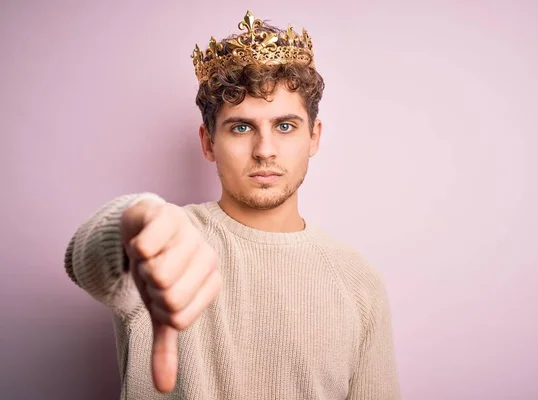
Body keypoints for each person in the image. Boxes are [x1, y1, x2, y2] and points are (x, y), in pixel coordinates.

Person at [64, 10, 400, 400]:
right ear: (208, 142)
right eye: (241, 127)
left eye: (285, 126)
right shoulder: (167, 244)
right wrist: (133, 222)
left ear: (314, 137)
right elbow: (83, 260)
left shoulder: (359, 281)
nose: (265, 151)